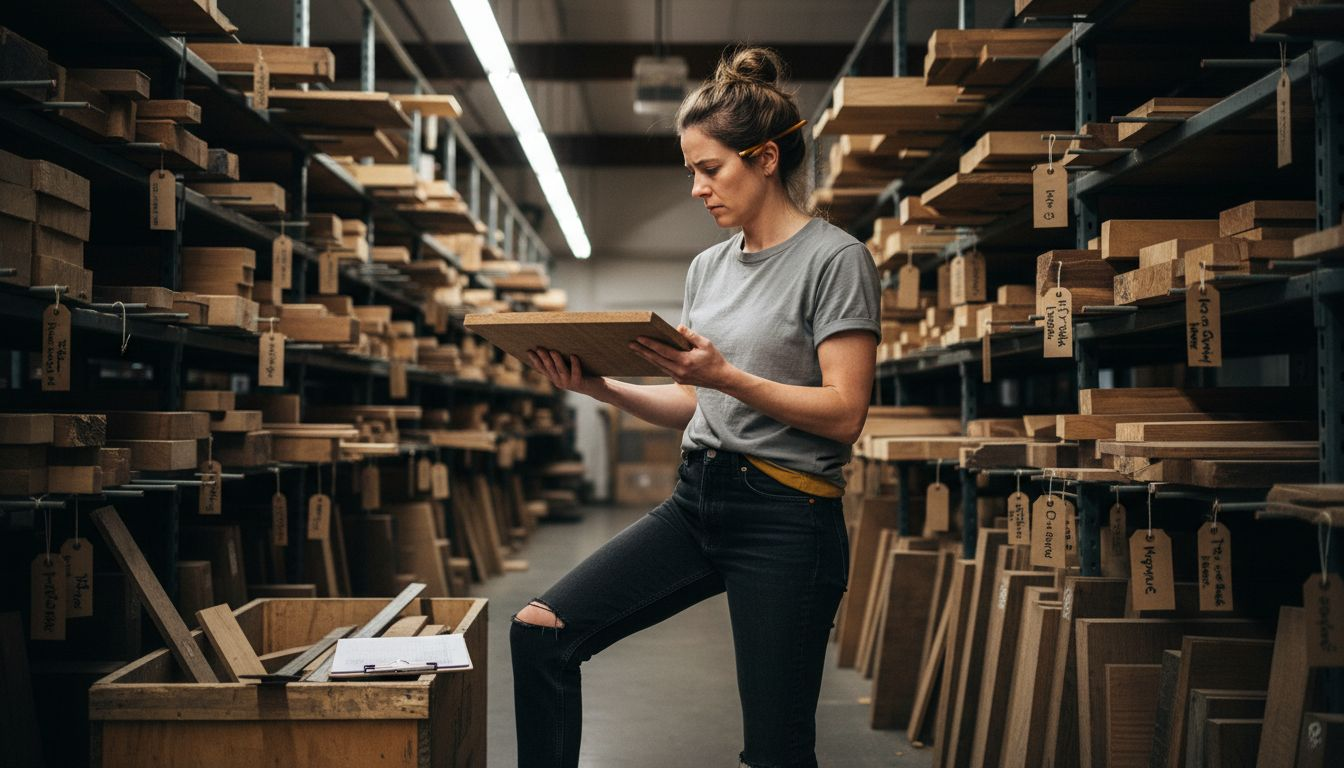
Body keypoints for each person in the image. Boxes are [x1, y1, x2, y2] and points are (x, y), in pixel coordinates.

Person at [511, 46, 881, 768]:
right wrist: (600, 389)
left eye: (710, 169)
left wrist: (727, 375)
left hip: (787, 516)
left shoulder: (836, 260)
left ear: (766, 158)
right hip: (695, 501)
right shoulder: (707, 267)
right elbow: (695, 402)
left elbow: (843, 412)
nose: (696, 189)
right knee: (542, 632)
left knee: (776, 750)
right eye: (691, 171)